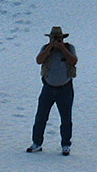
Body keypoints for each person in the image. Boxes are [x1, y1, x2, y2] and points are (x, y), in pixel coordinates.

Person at [27, 26, 78, 155]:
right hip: (48, 88)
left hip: (65, 89)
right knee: (41, 117)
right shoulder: (45, 48)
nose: (56, 40)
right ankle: (37, 143)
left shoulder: (69, 48)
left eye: (59, 38)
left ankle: (66, 145)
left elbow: (73, 61)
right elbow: (39, 60)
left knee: (66, 119)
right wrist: (50, 47)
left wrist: (62, 49)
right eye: (54, 38)